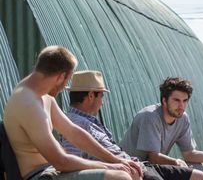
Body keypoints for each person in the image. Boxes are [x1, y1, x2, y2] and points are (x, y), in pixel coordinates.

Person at [3, 45, 142, 180]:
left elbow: (73, 132)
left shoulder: (43, 96)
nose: (64, 87)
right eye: (67, 80)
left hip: (52, 170)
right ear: (61, 77)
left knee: (132, 173)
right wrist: (110, 167)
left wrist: (116, 160)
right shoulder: (27, 103)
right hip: (40, 175)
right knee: (121, 177)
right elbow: (61, 162)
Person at [61, 70, 203, 180]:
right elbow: (71, 162)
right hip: (130, 170)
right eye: (102, 96)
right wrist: (113, 167)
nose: (102, 102)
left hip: (140, 165)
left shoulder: (89, 121)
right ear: (91, 95)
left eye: (185, 101)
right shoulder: (75, 123)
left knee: (199, 176)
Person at [119, 77, 203, 174]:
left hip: (152, 167)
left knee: (200, 169)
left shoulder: (182, 118)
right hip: (132, 166)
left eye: (185, 101)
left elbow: (189, 154)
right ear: (164, 100)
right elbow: (153, 158)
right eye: (176, 100)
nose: (181, 106)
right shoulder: (150, 116)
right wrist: (175, 162)